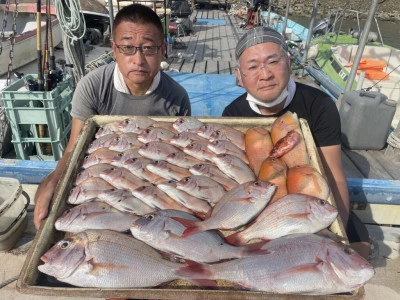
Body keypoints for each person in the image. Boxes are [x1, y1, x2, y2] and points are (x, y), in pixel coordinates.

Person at [33, 3, 191, 229]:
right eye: (127, 48)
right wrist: (53, 180)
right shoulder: (92, 87)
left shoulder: (177, 97)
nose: (138, 60)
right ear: (114, 49)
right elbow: (73, 150)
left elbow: (177, 158)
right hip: (102, 182)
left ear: (162, 49)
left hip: (152, 185)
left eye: (148, 48)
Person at [223, 26, 369, 256]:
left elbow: (332, 173)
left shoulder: (319, 105)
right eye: (252, 67)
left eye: (273, 61)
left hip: (314, 204)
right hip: (263, 211)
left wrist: (335, 234)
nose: (265, 74)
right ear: (239, 76)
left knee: (359, 251)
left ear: (290, 62)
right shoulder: (232, 114)